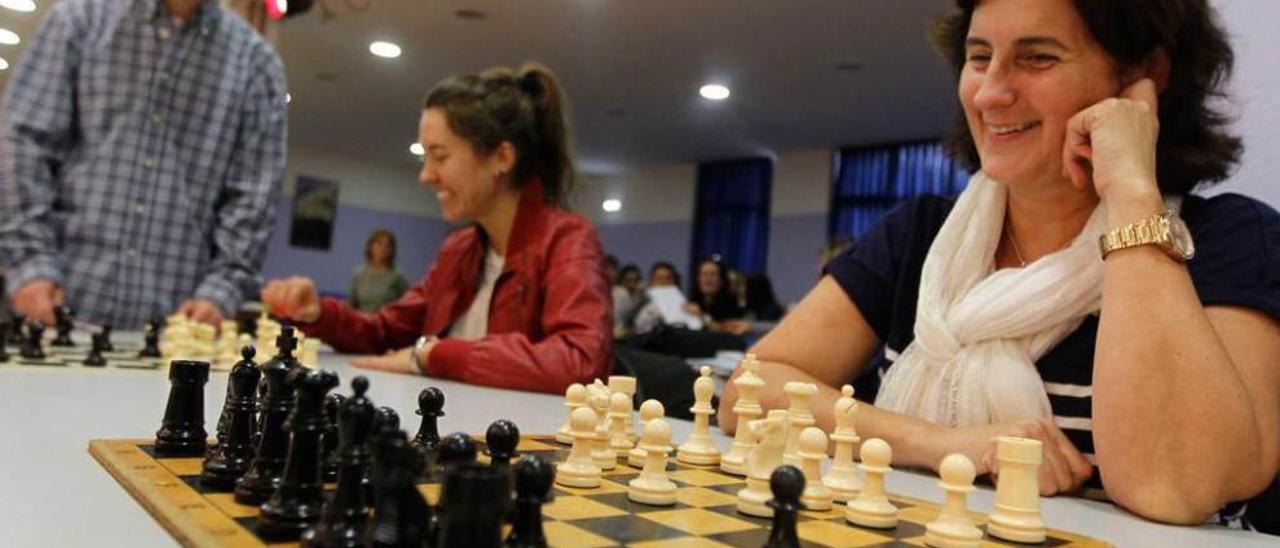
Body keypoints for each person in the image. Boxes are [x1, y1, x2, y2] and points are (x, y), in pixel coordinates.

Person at [718, 0, 1280, 533]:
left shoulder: (1227, 238)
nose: (990, 93)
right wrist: (943, 444)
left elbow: (1179, 488)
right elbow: (746, 394)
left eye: (1038, 57)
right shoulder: (921, 234)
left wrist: (1132, 191)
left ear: (1145, 74)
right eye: (980, 57)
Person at [262, 63, 612, 394]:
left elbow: (580, 362)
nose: (426, 175)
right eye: (425, 158)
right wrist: (320, 313)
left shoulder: (568, 240)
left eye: (440, 156)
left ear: (502, 159)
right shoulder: (459, 249)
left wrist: (431, 355)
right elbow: (387, 331)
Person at [0, 0, 287, 329]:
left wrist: (221, 291)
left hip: (177, 326)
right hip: (53, 306)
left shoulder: (257, 65)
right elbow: (24, 146)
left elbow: (254, 198)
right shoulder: (78, 21)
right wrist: (30, 263)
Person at [349, 229, 409, 313]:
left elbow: (408, 304)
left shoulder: (397, 276)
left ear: (392, 250)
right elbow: (351, 305)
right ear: (371, 247)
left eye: (387, 245)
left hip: (386, 323)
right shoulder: (359, 274)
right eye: (379, 244)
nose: (383, 248)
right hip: (362, 323)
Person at [686, 258, 748, 335]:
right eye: (704, 274)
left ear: (722, 280)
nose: (707, 279)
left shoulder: (731, 304)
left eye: (713, 275)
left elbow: (726, 330)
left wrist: (701, 316)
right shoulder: (692, 302)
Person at [611, 263, 643, 337]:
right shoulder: (620, 294)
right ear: (621, 281)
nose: (632, 284)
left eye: (636, 281)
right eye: (628, 281)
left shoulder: (640, 297)